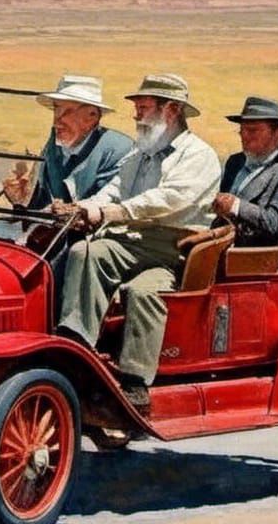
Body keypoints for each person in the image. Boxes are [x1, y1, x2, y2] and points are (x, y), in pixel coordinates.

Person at [55, 73, 221, 412]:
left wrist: (111, 213)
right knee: (86, 250)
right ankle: (76, 347)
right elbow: (113, 190)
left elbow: (168, 199)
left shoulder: (198, 155)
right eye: (137, 108)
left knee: (144, 292)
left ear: (171, 110)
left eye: (143, 108)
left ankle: (135, 383)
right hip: (131, 241)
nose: (136, 116)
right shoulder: (139, 153)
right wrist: (82, 209)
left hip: (174, 250)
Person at [1, 74, 132, 210]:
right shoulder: (55, 146)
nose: (57, 120)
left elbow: (108, 205)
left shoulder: (118, 150)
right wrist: (22, 198)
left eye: (68, 112)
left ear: (92, 116)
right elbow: (43, 200)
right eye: (56, 109)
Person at [212, 96, 278, 246]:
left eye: (253, 131)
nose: (244, 136)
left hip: (258, 256)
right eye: (242, 130)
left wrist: (236, 205)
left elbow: (276, 222)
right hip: (219, 244)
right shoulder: (235, 162)